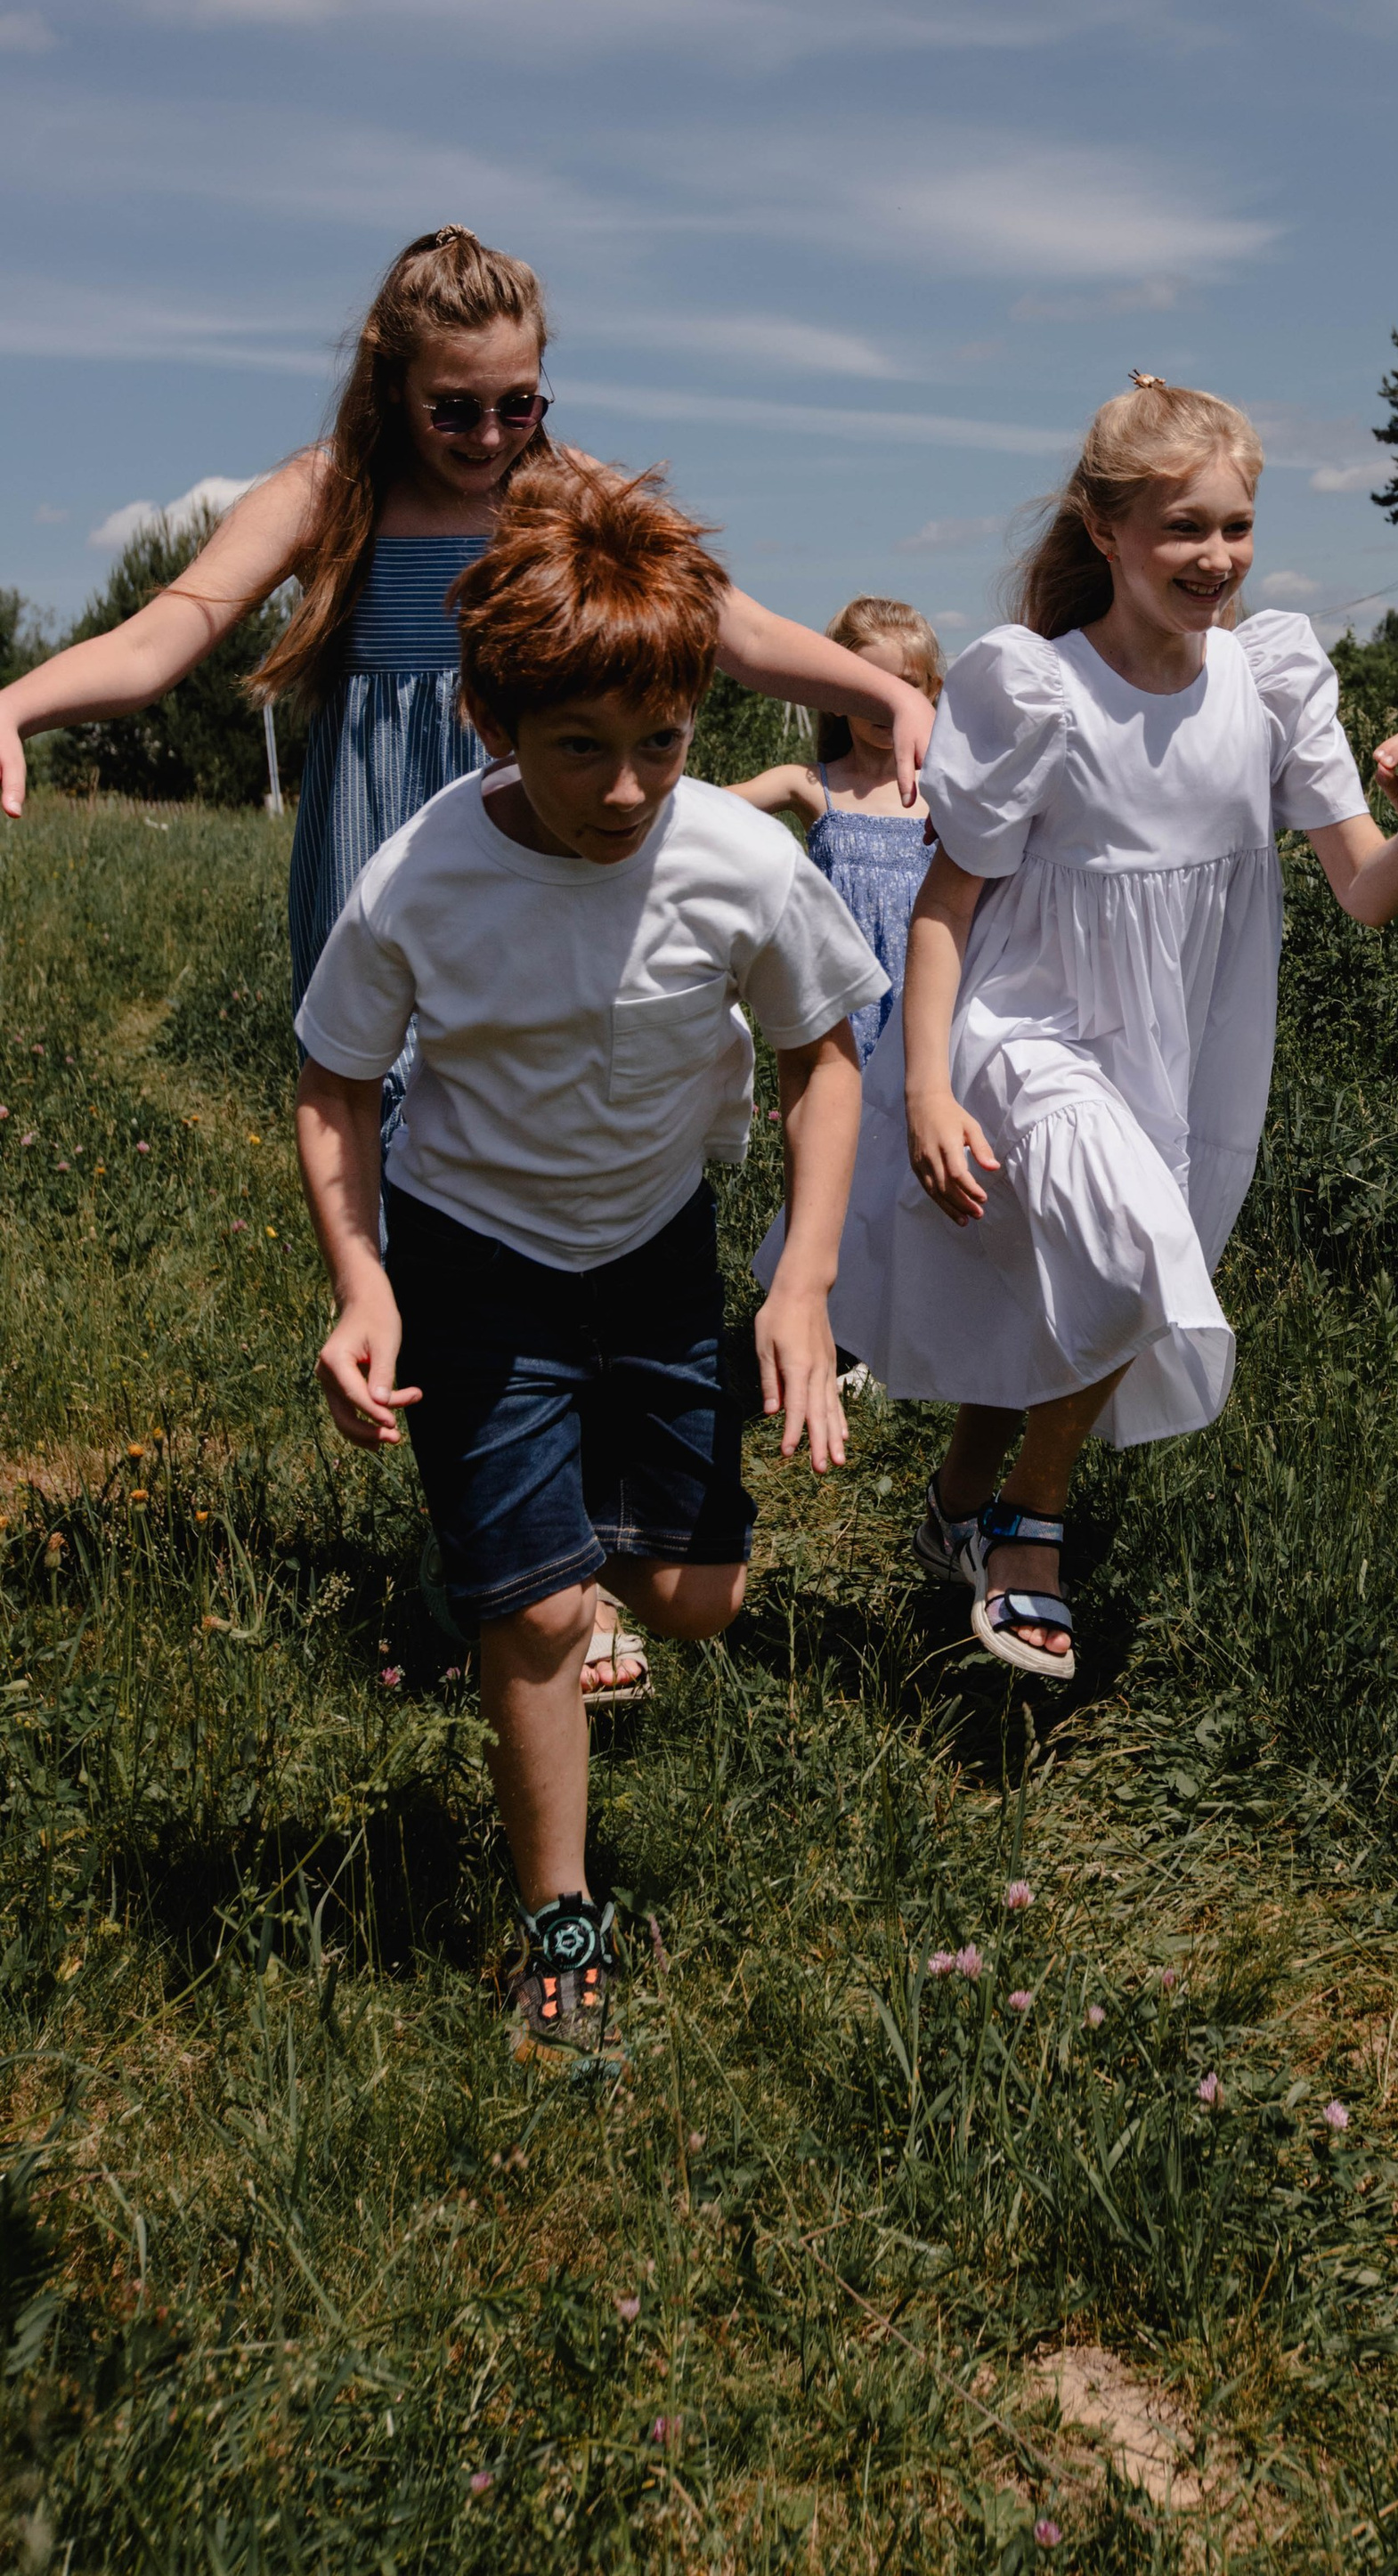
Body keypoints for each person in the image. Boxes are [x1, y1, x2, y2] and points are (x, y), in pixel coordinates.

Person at [0, 225, 934, 1696]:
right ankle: (530, 1546)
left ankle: (548, 1546)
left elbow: (733, 630)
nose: (494, 438)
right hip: (412, 861)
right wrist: (19, 701)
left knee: (546, 1147)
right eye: (459, 409)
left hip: (577, 842)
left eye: (522, 405)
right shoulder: (329, 496)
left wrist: (874, 682)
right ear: (391, 388)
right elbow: (170, 632)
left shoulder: (562, 497)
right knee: (446, 1180)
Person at [293, 459, 882, 2058]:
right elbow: (339, 1079)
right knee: (542, 1618)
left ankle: (537, 1560)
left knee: (698, 1597)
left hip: (653, 1249)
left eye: (662, 745)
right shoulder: (420, 878)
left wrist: (805, 1276)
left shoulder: (739, 866)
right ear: (490, 717)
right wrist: (366, 1281)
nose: (626, 790)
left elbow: (829, 1051)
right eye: (579, 750)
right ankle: (560, 1909)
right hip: (473, 1257)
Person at [760, 372, 1398, 1682]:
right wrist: (924, 1086)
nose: (1217, 558)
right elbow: (943, 910)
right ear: (1107, 533)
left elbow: (1363, 894)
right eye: (1183, 528)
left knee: (1058, 1274)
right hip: (1024, 1036)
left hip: (1180, 1051)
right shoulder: (1035, 689)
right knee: (1137, 1255)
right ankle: (1031, 1528)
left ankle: (956, 1511)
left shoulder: (1272, 683)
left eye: (1236, 526)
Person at [730, 594, 944, 1066]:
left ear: (931, 689)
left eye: (905, 685)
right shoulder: (808, 785)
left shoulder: (948, 790)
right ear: (834, 692)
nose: (884, 701)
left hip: (935, 998)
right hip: (843, 998)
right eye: (865, 685)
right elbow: (710, 809)